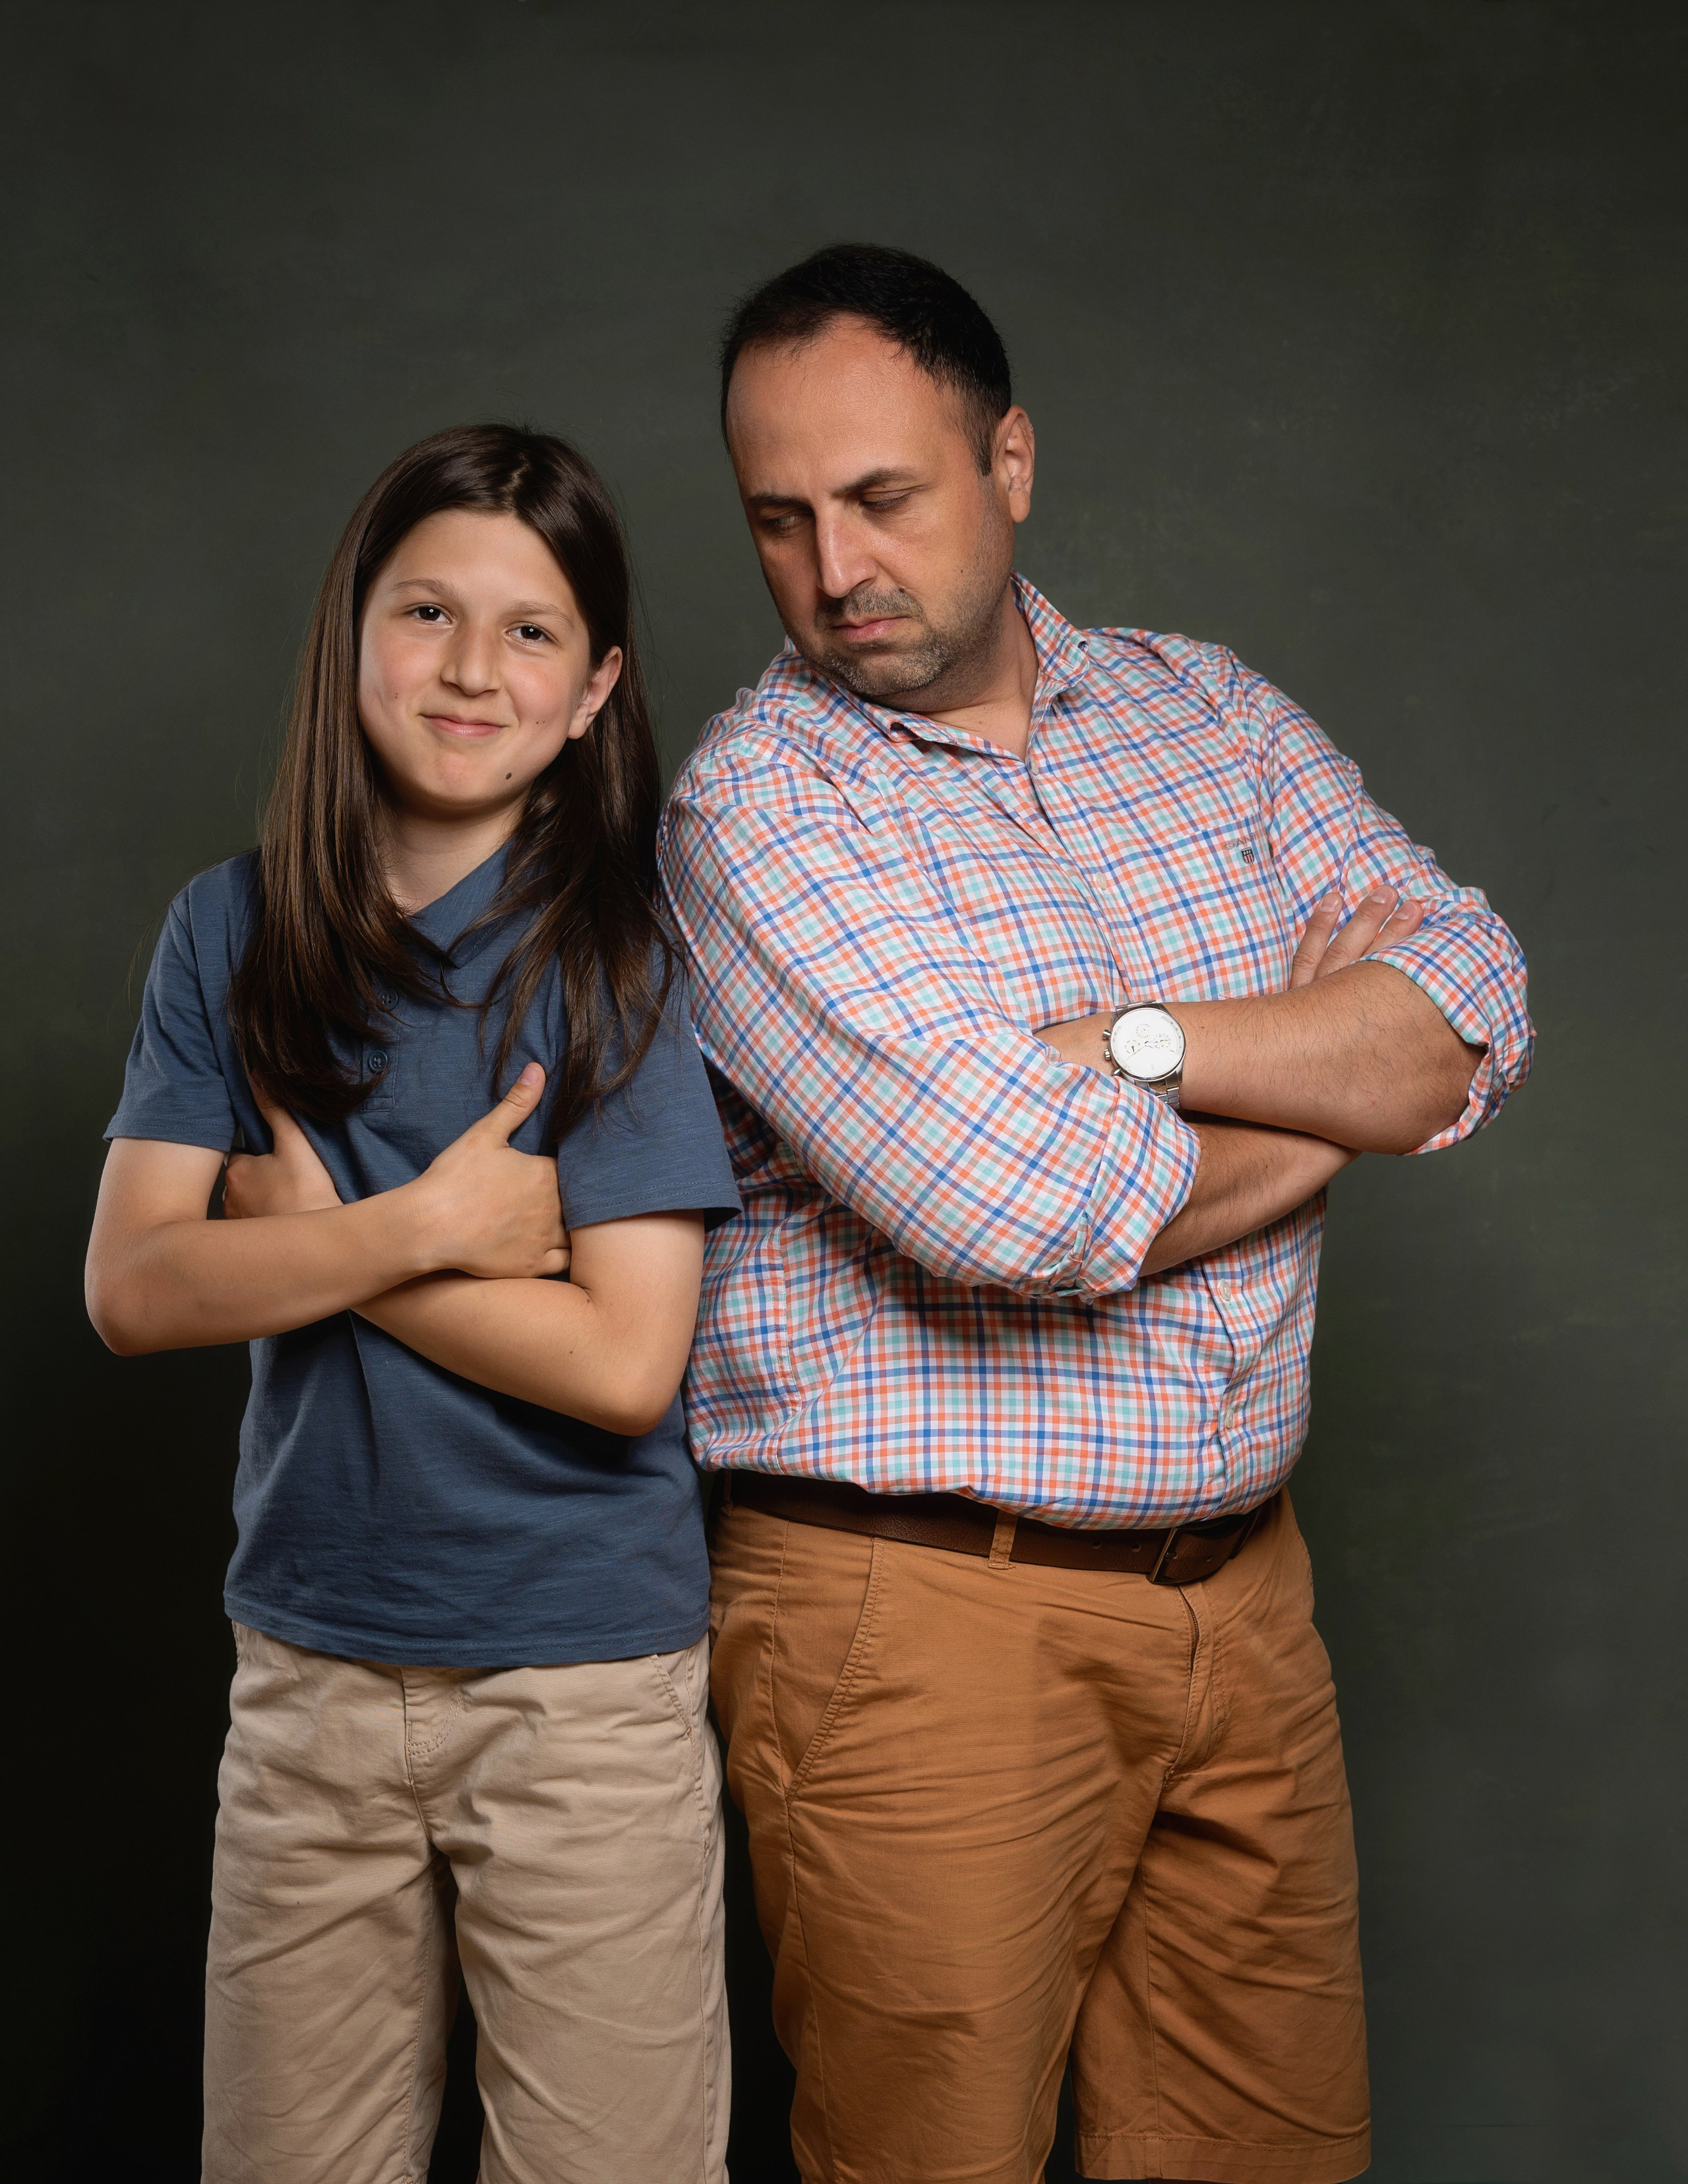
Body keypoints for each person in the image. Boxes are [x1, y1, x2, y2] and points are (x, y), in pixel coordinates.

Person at [657, 245, 1534, 2184]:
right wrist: (1329, 1096)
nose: (834, 566)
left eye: (883, 496)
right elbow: (1017, 1205)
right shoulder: (759, 814)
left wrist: (1143, 1045)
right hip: (922, 1618)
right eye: (780, 518)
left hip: (1248, 1598)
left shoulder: (1206, 709)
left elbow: (1469, 1002)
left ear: (1012, 462)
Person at [84, 424, 738, 2184]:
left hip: (580, 1691)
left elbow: (625, 1362)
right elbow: (136, 1286)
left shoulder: (616, 957)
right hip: (309, 1672)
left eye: (531, 632)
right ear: (351, 630)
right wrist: (435, 1228)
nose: (469, 669)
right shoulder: (228, 933)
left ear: (594, 691)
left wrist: (321, 1242)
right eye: (428, 610)